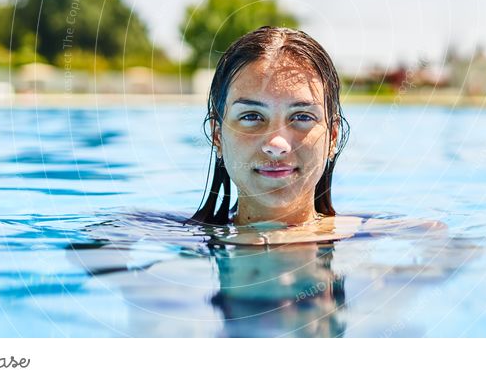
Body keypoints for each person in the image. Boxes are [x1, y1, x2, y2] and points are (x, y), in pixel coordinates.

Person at [190, 26, 443, 245]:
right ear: (217, 136)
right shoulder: (166, 238)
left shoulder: (406, 234)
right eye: (252, 116)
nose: (276, 145)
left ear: (332, 136)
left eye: (302, 117)